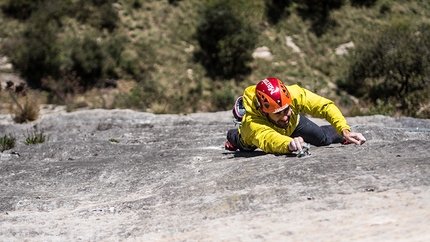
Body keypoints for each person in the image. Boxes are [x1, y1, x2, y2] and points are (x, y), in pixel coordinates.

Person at [225, 77, 366, 154]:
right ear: (263, 112)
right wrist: (288, 144)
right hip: (251, 139)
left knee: (324, 139)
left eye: (287, 110)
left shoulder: (294, 94)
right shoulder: (253, 124)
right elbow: (270, 139)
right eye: (278, 113)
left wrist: (344, 129)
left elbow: (323, 106)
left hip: (294, 126)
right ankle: (233, 135)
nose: (285, 116)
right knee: (242, 143)